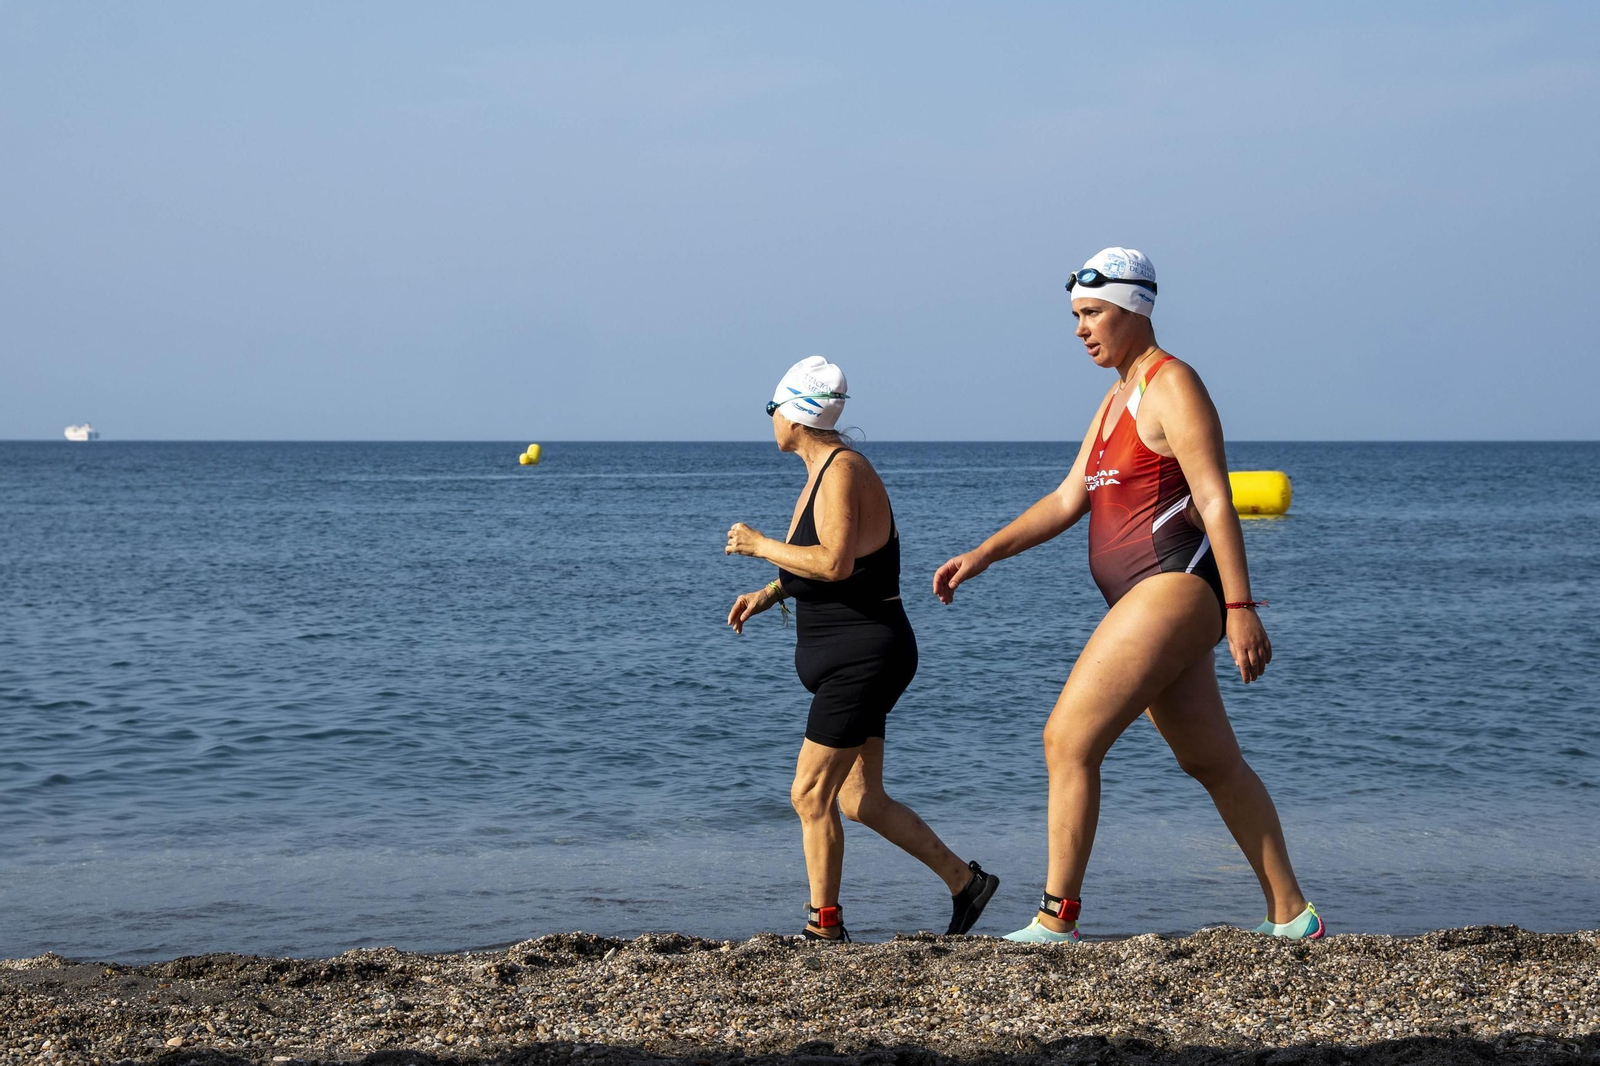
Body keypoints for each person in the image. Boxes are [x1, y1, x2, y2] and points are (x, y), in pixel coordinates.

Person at [933, 249, 1322, 943]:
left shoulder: (1173, 385)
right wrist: (984, 552)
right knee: (1211, 761)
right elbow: (1065, 499)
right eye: (1075, 317)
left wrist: (1240, 610)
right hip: (1149, 599)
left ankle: (1057, 919)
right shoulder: (1115, 398)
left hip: (1173, 587)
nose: (1080, 330)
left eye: (1092, 314)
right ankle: (1294, 917)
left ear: (1134, 309)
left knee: (1068, 738)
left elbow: (1215, 501)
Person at [725, 356, 999, 941]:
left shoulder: (843, 470)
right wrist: (771, 591)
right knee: (861, 798)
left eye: (771, 408)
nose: (768, 420)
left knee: (808, 793)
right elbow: (824, 565)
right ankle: (965, 883)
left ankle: (824, 928)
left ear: (794, 415)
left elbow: (835, 562)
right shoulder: (820, 474)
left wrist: (759, 545)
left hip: (862, 657)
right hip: (854, 656)